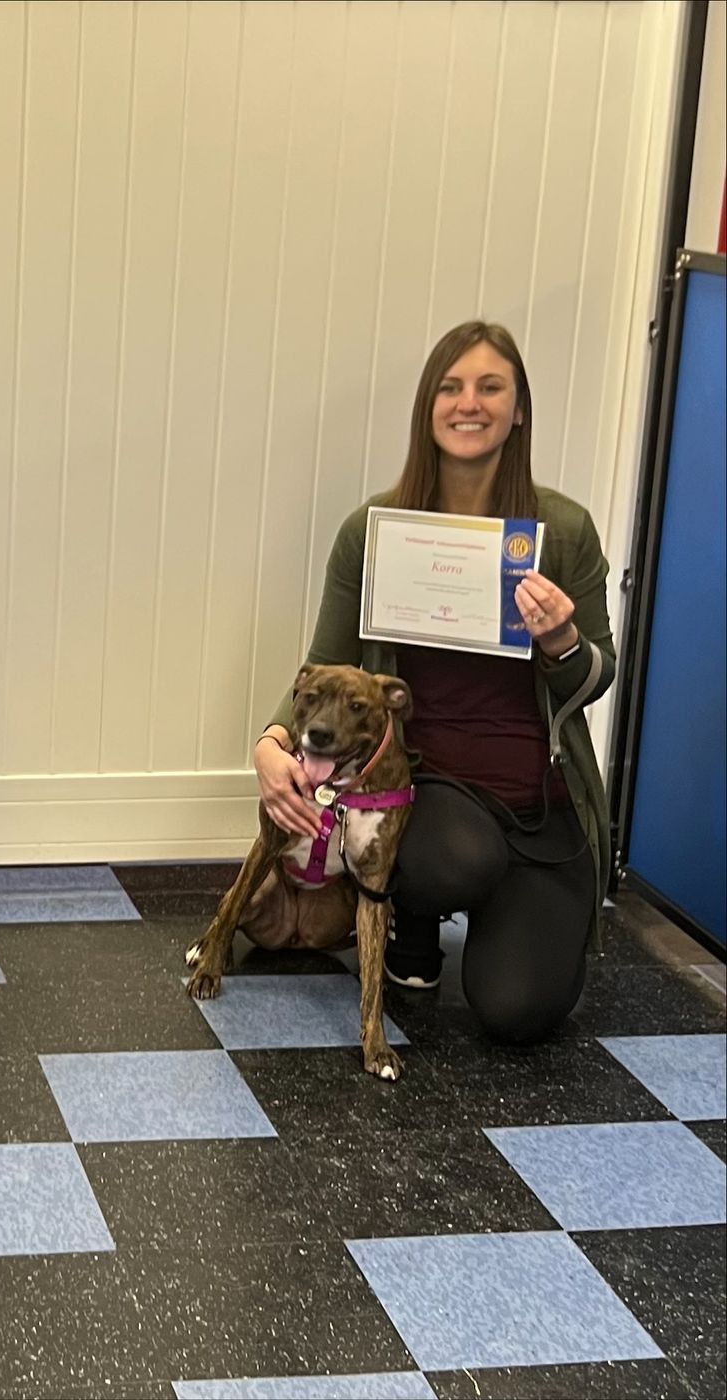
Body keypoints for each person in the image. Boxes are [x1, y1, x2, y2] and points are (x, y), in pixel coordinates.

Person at [256, 322, 613, 1042]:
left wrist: (561, 641)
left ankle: (525, 921)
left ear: (519, 411)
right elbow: (326, 657)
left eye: (490, 387)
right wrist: (271, 740)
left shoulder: (563, 530)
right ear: (428, 407)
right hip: (435, 791)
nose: (468, 403)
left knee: (517, 1012)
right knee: (450, 857)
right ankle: (412, 918)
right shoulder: (374, 531)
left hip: (542, 803)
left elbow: (596, 674)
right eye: (450, 388)